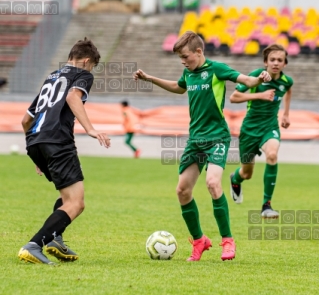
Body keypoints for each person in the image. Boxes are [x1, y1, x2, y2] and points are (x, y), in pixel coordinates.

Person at [134, 31, 271, 261]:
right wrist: (150, 78)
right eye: (180, 58)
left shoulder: (216, 69)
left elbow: (246, 80)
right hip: (195, 140)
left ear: (199, 52)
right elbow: (179, 87)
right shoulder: (188, 72)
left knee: (213, 183)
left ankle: (228, 241)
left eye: (186, 56)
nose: (183, 61)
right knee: (182, 190)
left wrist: (260, 79)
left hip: (217, 137)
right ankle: (200, 241)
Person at [18, 37, 111, 265]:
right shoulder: (82, 75)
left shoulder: (51, 77)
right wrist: (90, 129)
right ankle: (34, 245)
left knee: (66, 197)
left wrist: (38, 154)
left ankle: (55, 239)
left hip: (35, 141)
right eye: (92, 67)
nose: (91, 71)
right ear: (86, 61)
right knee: (76, 203)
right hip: (58, 141)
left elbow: (25, 120)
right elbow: (72, 97)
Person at [229, 44, 293, 218]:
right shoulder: (257, 76)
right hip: (249, 130)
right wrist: (259, 95)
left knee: (272, 155)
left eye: (280, 60)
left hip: (270, 127)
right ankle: (235, 179)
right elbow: (234, 97)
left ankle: (266, 205)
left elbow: (288, 91)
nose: (276, 63)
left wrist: (286, 114)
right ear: (265, 62)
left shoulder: (286, 81)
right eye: (272, 60)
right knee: (247, 173)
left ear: (284, 64)